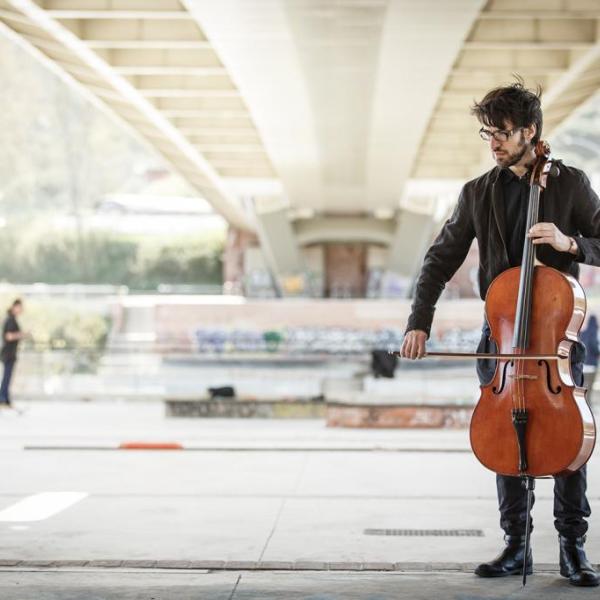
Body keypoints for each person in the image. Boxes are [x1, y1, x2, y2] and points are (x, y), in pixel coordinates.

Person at [401, 80, 600, 587]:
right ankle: (515, 545)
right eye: (487, 132)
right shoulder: (478, 192)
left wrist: (569, 243)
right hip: (502, 339)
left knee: (566, 442)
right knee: (506, 437)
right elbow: (439, 259)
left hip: (556, 342)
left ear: (530, 132)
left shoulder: (571, 185)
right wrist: (419, 321)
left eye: (502, 132)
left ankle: (573, 548)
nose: (493, 141)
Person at [0, 299, 25, 408]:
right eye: (20, 307)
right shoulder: (10, 319)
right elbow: (8, 336)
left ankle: (6, 399)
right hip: (8, 353)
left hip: (10, 353)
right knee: (6, 377)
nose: (21, 310)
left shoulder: (12, 319)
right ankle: (2, 399)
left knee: (8, 377)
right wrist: (21, 335)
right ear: (15, 307)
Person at [580, 315, 599, 405]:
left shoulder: (583, 333)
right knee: (589, 388)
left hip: (583, 364)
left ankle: (581, 406)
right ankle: (587, 407)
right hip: (591, 365)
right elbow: (594, 348)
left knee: (582, 388)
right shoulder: (594, 334)